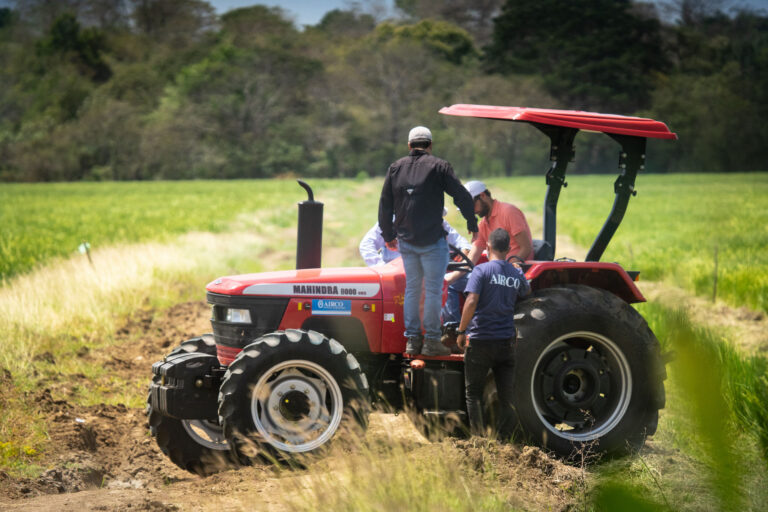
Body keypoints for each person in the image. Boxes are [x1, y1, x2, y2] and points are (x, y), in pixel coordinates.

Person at [378, 126, 477, 356]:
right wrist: (471, 222)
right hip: (433, 241)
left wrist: (388, 236)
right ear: (430, 146)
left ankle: (413, 340)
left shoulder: (395, 168)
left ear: (410, 146)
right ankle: (432, 340)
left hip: (407, 242)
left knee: (413, 289)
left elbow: (384, 205)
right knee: (433, 290)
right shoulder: (440, 166)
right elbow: (461, 194)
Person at [456, 228, 530, 436]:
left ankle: (479, 441)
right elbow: (527, 292)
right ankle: (504, 441)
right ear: (508, 249)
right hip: (506, 343)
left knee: (473, 394)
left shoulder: (481, 271)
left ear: (488, 247)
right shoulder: (516, 273)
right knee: (508, 398)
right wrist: (519, 271)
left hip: (480, 341)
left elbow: (471, 301)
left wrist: (461, 331)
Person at [359, 210, 472, 267]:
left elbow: (457, 239)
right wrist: (382, 268)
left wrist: (465, 248)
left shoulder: (438, 223)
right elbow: (367, 244)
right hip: (396, 271)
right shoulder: (390, 222)